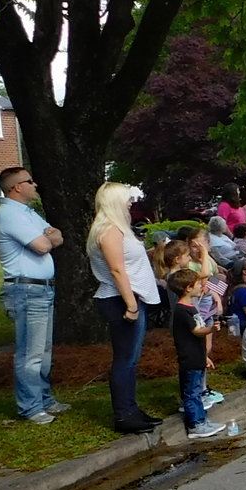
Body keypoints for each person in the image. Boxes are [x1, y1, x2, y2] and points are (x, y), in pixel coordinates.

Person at [86, 182, 163, 433]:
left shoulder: (117, 229)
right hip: (119, 300)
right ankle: (123, 415)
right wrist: (131, 305)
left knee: (130, 360)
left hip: (128, 298)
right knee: (125, 360)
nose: (131, 202)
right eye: (127, 199)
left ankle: (132, 408)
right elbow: (117, 269)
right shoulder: (109, 230)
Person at [0, 166, 68, 424]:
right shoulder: (9, 215)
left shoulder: (28, 213)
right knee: (30, 352)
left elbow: (58, 235)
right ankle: (31, 407)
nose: (35, 185)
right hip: (25, 290)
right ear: (17, 187)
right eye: (30, 181)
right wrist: (48, 238)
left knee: (44, 350)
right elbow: (43, 245)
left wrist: (51, 237)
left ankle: (45, 400)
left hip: (42, 288)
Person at [166, 269, 226, 439]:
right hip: (189, 358)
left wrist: (204, 357)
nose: (202, 286)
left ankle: (202, 420)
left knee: (197, 391)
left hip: (197, 356)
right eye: (198, 284)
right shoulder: (182, 311)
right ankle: (195, 424)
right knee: (192, 392)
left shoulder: (191, 308)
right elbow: (197, 332)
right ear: (187, 288)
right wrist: (211, 329)